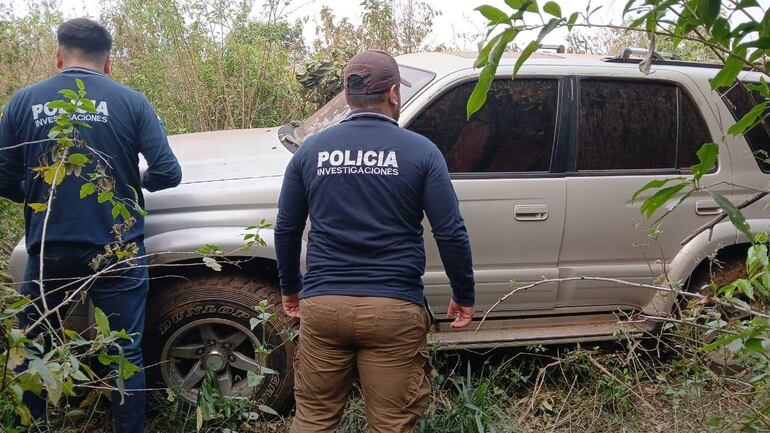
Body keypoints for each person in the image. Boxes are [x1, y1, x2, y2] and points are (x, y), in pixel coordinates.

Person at [275, 49, 476, 433]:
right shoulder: (422, 152)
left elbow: (286, 228)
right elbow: (450, 230)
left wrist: (290, 289)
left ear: (347, 96)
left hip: (325, 306)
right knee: (391, 424)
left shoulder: (310, 151)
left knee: (313, 419)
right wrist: (463, 293)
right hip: (393, 309)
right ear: (394, 94)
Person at [0, 18, 182, 432]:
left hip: (50, 247)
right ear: (108, 62)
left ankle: (34, 426)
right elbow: (168, 172)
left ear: (58, 56)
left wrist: (42, 197)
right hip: (117, 248)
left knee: (33, 347)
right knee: (123, 352)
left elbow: (3, 177)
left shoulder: (23, 102)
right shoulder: (132, 101)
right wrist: (131, 182)